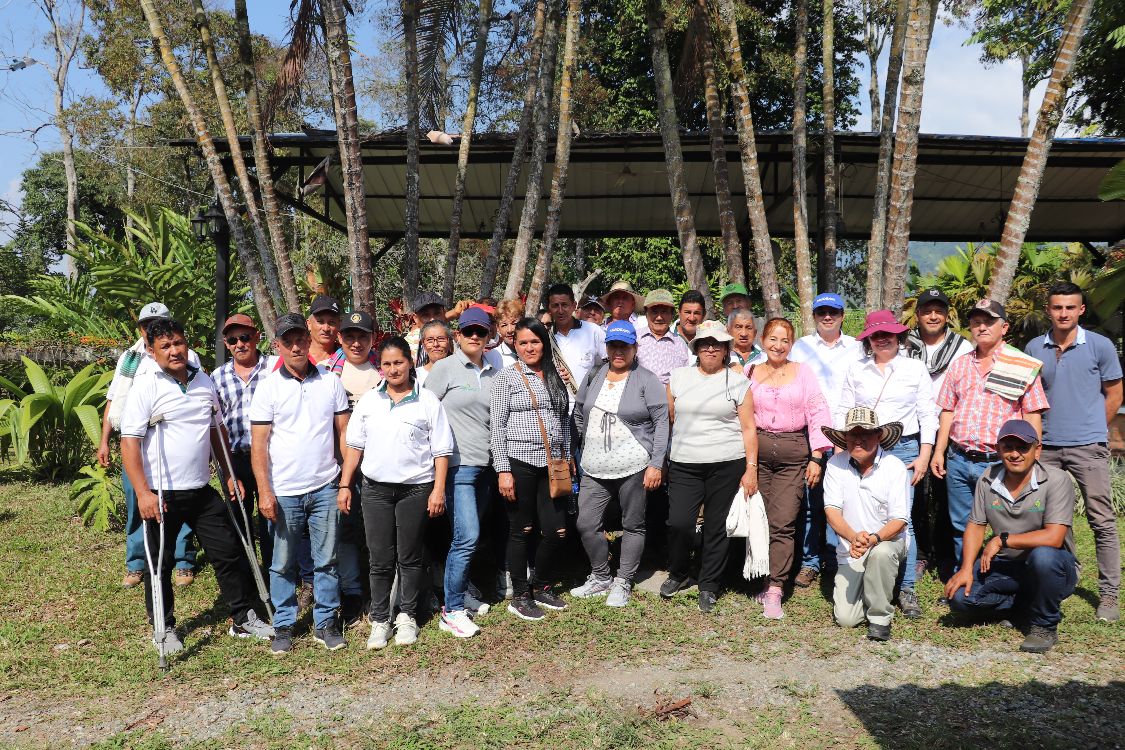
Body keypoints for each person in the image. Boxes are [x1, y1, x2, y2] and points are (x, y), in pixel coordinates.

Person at [120, 318, 274, 656]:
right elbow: (129, 443)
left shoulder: (203, 381)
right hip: (161, 493)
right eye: (165, 346)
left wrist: (229, 474)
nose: (174, 351)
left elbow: (217, 430)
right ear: (151, 351)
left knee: (228, 552)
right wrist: (143, 493)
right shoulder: (146, 387)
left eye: (178, 343)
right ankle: (165, 627)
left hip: (201, 490)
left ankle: (242, 616)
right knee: (159, 564)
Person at [339, 336, 454, 649]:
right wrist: (345, 484)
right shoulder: (370, 402)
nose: (392, 369)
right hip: (375, 490)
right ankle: (380, 619)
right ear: (381, 367)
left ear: (410, 363)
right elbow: (354, 446)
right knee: (379, 558)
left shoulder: (427, 400)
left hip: (415, 490)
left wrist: (438, 490)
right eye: (386, 364)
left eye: (398, 362)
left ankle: (407, 616)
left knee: (410, 557)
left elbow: (441, 451)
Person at [250, 313, 351, 655]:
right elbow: (259, 446)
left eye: (299, 340)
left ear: (309, 341)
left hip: (325, 485)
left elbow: (344, 435)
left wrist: (345, 482)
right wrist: (265, 491)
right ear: (277, 345)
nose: (295, 346)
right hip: (285, 490)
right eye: (287, 341)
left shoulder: (330, 382)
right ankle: (284, 624)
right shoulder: (267, 387)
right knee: (282, 562)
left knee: (326, 560)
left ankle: (324, 622)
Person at [1024, 281, 1122, 622]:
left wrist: (1094, 427)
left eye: (1070, 307)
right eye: (1057, 307)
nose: (1063, 313)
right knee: (1053, 521)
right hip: (1047, 448)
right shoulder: (1034, 347)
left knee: (1102, 521)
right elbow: (1029, 397)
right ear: (1049, 310)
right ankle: (1065, 581)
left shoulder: (1100, 346)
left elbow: (1114, 393)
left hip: (1088, 447)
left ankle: (1109, 594)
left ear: (1081, 310)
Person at [944, 419, 1079, 653]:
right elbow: (976, 525)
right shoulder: (988, 478)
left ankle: (1043, 626)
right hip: (1009, 565)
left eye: (1023, 448)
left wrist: (1003, 540)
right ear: (998, 450)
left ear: (1037, 450)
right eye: (1008, 447)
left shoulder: (1056, 479)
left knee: (1044, 557)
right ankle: (1023, 605)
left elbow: (1054, 537)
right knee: (959, 599)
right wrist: (965, 568)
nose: (1015, 454)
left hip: (1055, 567)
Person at [836, 310, 937, 619]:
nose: (882, 339)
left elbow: (927, 414)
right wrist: (843, 448)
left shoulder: (914, 368)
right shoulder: (857, 369)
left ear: (899, 336)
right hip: (864, 444)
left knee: (901, 518)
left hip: (904, 447)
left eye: (887, 334)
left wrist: (924, 454)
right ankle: (868, 575)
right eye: (875, 335)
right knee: (863, 509)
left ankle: (906, 589)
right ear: (868, 340)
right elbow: (844, 407)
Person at [932, 299, 1049, 564]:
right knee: (961, 525)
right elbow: (947, 410)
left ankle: (1008, 579)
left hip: (1002, 461)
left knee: (1010, 522)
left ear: (1004, 327)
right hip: (959, 458)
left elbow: (1032, 414)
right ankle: (964, 580)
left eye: (988, 322)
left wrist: (1034, 458)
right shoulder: (960, 364)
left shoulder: (1020, 364)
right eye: (976, 322)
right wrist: (939, 451)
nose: (981, 327)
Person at [99, 301, 200, 589]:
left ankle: (183, 560)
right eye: (147, 325)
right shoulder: (129, 359)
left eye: (160, 323)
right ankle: (136, 562)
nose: (152, 329)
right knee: (136, 501)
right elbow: (114, 398)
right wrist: (104, 440)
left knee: (179, 502)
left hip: (170, 443)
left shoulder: (185, 355)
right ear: (142, 329)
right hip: (135, 444)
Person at [570, 320, 669, 607]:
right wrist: (574, 451)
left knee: (633, 524)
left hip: (635, 464)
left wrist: (656, 464)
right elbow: (579, 413)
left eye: (624, 346)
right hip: (593, 465)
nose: (618, 352)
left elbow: (662, 423)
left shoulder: (646, 379)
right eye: (613, 345)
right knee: (586, 523)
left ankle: (623, 580)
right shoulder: (595, 374)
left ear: (634, 348)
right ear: (607, 347)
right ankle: (601, 577)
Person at [661, 320, 758, 613]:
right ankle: (678, 572)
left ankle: (709, 584)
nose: (711, 348)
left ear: (727, 349)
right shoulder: (677, 378)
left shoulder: (739, 381)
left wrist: (751, 467)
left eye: (717, 343)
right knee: (679, 523)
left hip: (727, 463)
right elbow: (669, 420)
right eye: (705, 343)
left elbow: (749, 428)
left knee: (717, 527)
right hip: (684, 463)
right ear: (696, 348)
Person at [424, 307, 503, 638]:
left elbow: (498, 421)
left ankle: (460, 596)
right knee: (466, 537)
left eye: (480, 332)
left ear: (489, 337)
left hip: (486, 467)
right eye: (468, 331)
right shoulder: (445, 368)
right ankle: (452, 609)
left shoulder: (495, 373)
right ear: (457, 335)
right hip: (458, 468)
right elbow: (425, 415)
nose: (474, 336)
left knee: (471, 536)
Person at [489, 318, 573, 621]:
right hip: (519, 462)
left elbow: (563, 418)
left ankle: (541, 586)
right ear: (515, 344)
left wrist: (566, 455)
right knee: (521, 530)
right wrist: (503, 470)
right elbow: (497, 427)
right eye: (522, 342)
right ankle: (521, 595)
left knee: (556, 530)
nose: (528, 348)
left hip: (552, 464)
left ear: (544, 342)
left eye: (534, 341)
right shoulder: (506, 378)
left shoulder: (556, 375)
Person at [747, 318, 831, 619]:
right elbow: (740, 416)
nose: (777, 345)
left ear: (791, 344)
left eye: (784, 340)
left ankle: (775, 587)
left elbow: (818, 411)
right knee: (759, 519)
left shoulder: (802, 372)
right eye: (772, 338)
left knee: (783, 521)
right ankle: (757, 574)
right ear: (762, 339)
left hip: (793, 455)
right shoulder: (751, 371)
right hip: (756, 454)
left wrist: (817, 457)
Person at [789, 292, 862, 588]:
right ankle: (809, 562)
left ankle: (835, 559)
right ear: (814, 316)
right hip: (810, 435)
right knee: (810, 501)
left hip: (847, 436)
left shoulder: (857, 347)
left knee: (842, 501)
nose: (827, 317)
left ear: (843, 315)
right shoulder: (801, 347)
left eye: (833, 312)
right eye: (822, 313)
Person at [821, 408, 910, 642]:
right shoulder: (835, 464)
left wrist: (871, 540)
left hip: (884, 542)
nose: (858, 440)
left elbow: (899, 521)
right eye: (853, 434)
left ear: (878, 435)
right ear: (845, 437)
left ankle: (880, 618)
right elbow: (831, 511)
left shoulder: (895, 467)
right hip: (852, 547)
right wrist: (853, 538)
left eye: (866, 434)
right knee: (846, 619)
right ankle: (874, 590)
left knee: (880, 554)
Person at [905, 287, 972, 580]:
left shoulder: (963, 347)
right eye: (927, 311)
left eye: (939, 311)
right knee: (915, 493)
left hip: (949, 428)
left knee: (946, 494)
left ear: (946, 315)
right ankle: (919, 553)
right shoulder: (905, 343)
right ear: (918, 314)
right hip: (912, 427)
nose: (933, 316)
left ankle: (944, 554)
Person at [327, 311, 383, 626]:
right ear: (340, 338)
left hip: (379, 466)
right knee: (345, 531)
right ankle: (350, 593)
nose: (356, 342)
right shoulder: (326, 373)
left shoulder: (384, 372)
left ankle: (379, 590)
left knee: (378, 530)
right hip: (339, 467)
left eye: (363, 336)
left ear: (372, 338)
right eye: (350, 336)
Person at [212, 313, 278, 571]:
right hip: (235, 458)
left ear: (256, 337)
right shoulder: (217, 377)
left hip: (269, 457)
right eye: (232, 340)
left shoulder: (274, 368)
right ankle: (247, 572)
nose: (239, 344)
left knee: (271, 518)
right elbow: (215, 424)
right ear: (226, 344)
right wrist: (226, 470)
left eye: (245, 337)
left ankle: (274, 573)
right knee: (238, 518)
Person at [546, 282, 607, 398]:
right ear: (549, 308)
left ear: (574, 306)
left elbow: (609, 364)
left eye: (564, 305)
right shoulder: (544, 337)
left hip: (585, 405)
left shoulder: (594, 331)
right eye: (555, 305)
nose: (560, 310)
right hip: (554, 407)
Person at [636, 288, 690, 385]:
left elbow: (684, 379)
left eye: (664, 312)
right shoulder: (635, 338)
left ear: (672, 314)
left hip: (669, 398)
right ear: (646, 313)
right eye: (654, 312)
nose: (659, 317)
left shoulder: (680, 344)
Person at [415, 320, 454, 389]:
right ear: (423, 344)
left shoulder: (458, 372)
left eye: (441, 339)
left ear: (449, 342)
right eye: (430, 340)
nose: (436, 344)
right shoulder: (416, 376)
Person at [306, 295, 343, 364]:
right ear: (309, 324)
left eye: (331, 322)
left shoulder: (345, 356)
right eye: (320, 322)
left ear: (339, 325)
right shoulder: (296, 355)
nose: (326, 329)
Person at [493, 299, 525, 367]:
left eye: (514, 323)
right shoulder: (491, 357)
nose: (510, 330)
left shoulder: (533, 352)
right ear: (498, 328)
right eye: (504, 325)